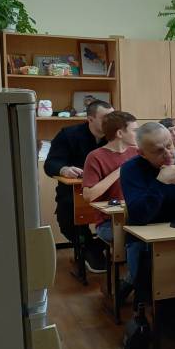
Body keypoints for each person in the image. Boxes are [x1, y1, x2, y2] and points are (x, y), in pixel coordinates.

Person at [121, 122, 175, 300]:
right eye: (159, 151)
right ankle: (140, 292)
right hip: (145, 239)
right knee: (150, 285)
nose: (168, 154)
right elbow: (139, 216)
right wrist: (160, 183)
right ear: (142, 153)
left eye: (169, 146)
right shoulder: (131, 169)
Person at [43, 99, 114, 274]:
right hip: (74, 192)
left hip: (109, 191)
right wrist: (64, 169)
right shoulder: (68, 135)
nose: (110, 122)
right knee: (67, 221)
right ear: (90, 119)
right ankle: (90, 248)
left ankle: (97, 247)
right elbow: (50, 164)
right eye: (105, 118)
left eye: (112, 117)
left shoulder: (115, 135)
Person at [82, 111, 139, 246]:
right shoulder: (95, 156)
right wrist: (120, 170)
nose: (138, 134)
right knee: (137, 239)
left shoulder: (137, 152)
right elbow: (88, 195)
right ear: (120, 133)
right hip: (109, 222)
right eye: (134, 131)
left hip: (137, 216)